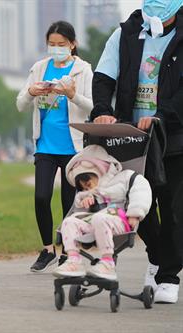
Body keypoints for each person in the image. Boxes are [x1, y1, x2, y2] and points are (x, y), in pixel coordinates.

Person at [91, 0, 183, 303]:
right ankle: (157, 258)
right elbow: (104, 78)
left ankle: (169, 275)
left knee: (173, 209)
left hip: (174, 138)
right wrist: (103, 110)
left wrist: (163, 115)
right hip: (133, 138)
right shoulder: (125, 35)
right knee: (137, 207)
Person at [16, 21, 93, 272]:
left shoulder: (83, 70)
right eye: (52, 44)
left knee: (68, 203)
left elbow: (93, 107)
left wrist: (72, 95)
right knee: (41, 197)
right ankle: (47, 248)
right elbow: (20, 104)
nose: (57, 48)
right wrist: (31, 91)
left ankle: (68, 251)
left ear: (73, 44)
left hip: (73, 146)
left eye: (62, 44)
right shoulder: (39, 68)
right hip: (45, 145)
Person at [53, 145, 152, 280]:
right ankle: (73, 260)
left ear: (100, 170)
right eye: (83, 188)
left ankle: (107, 262)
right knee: (69, 221)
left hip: (120, 220)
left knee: (100, 218)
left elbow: (141, 189)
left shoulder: (125, 177)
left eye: (88, 184)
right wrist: (85, 199)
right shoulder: (92, 193)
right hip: (96, 221)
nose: (87, 189)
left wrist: (135, 213)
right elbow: (82, 204)